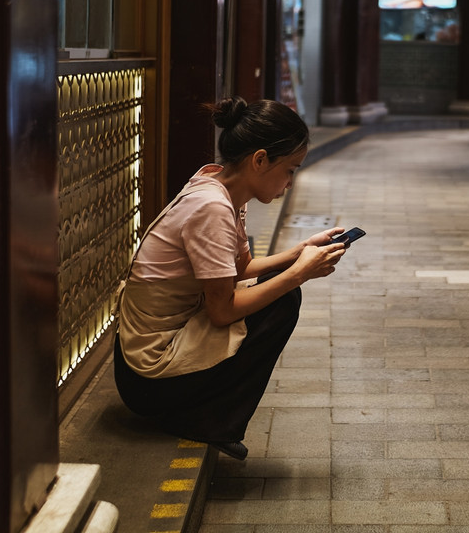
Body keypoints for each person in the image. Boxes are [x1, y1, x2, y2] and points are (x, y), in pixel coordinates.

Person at [113, 97, 348, 460]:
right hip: (148, 374)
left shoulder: (220, 188)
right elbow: (222, 312)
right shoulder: (212, 207)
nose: (289, 183)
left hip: (147, 357)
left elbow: (239, 271)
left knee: (280, 291)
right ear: (260, 160)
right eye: (290, 170)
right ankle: (201, 421)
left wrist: (300, 251)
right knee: (284, 301)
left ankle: (203, 416)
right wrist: (300, 273)